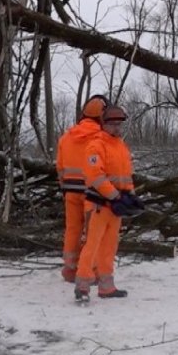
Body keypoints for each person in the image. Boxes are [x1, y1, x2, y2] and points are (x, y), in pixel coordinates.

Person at [74, 104, 144, 302]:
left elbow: (126, 175)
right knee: (92, 245)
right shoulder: (96, 145)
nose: (117, 127)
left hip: (115, 206)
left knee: (109, 247)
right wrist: (115, 196)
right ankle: (83, 286)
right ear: (104, 124)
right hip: (99, 205)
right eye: (113, 124)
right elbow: (95, 176)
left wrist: (130, 195)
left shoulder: (120, 146)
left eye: (119, 124)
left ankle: (106, 287)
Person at [54, 94, 109, 283]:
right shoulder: (102, 138)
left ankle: (70, 268)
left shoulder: (66, 137)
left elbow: (60, 168)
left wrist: (65, 188)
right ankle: (90, 270)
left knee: (72, 229)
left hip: (70, 191)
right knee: (93, 232)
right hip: (92, 193)